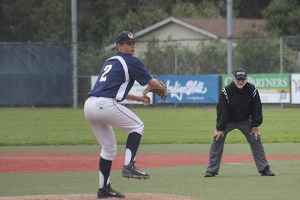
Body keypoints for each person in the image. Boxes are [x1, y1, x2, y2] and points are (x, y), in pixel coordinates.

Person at [84, 31, 164, 198]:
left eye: (133, 43)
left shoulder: (110, 61)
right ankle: (129, 165)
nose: (132, 46)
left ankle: (103, 189)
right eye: (128, 43)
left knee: (109, 148)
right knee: (137, 125)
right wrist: (161, 86)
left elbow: (111, 89)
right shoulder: (131, 61)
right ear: (119, 46)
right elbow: (152, 82)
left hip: (90, 105)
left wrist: (138, 98)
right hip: (103, 104)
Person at [204, 69, 275, 177]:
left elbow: (257, 107)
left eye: (243, 79)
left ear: (246, 79)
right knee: (217, 138)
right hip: (228, 121)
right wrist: (220, 128)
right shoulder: (226, 90)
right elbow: (222, 110)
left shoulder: (252, 89)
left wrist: (255, 125)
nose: (240, 81)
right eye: (238, 79)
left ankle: (264, 168)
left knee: (256, 138)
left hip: (245, 121)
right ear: (234, 79)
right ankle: (211, 170)